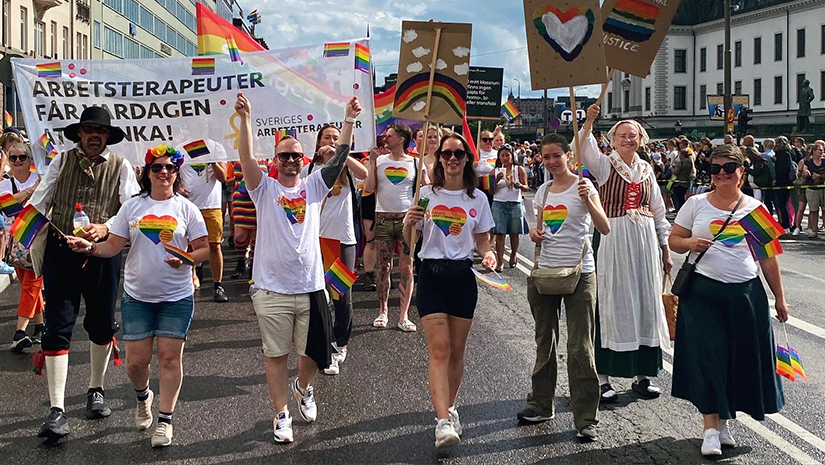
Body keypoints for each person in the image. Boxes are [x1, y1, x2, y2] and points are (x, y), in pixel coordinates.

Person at [235, 91, 361, 444]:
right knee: (277, 355)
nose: (290, 160)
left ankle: (303, 387)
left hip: (310, 287)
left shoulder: (314, 186)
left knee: (312, 353)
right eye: (284, 156)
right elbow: (245, 156)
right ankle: (281, 414)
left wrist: (348, 119)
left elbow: (338, 161)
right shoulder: (263, 188)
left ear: (303, 159)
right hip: (272, 289)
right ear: (275, 160)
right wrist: (246, 119)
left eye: (295, 155)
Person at [66, 145, 209, 447]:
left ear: (176, 172)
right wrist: (90, 248)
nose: (164, 173)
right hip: (138, 297)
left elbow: (203, 249)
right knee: (135, 363)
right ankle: (143, 397)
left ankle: (165, 420)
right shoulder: (132, 207)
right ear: (147, 173)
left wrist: (186, 258)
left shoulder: (187, 208)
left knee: (170, 358)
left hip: (176, 297)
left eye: (170, 167)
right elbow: (113, 246)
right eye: (157, 168)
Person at [668, 144, 788, 457]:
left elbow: (768, 258)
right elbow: (674, 240)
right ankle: (709, 428)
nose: (720, 174)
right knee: (710, 357)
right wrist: (690, 241)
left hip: (746, 293)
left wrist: (780, 299)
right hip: (703, 293)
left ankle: (724, 422)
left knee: (739, 358)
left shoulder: (755, 208)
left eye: (727, 169)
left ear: (741, 173)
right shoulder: (695, 204)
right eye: (714, 169)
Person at [29, 106, 141, 440]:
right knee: (57, 327)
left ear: (108, 136)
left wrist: (106, 227)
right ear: (79, 132)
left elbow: (132, 210)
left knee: (102, 324)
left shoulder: (120, 167)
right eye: (89, 129)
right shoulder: (60, 162)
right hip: (61, 254)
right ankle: (57, 408)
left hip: (102, 255)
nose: (95, 135)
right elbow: (38, 202)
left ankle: (96, 389)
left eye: (101, 131)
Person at [402, 132, 496, 447]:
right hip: (431, 274)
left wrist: (488, 253)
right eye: (446, 154)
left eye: (458, 153)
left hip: (462, 278)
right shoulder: (425, 194)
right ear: (439, 159)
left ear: (467, 158)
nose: (452, 159)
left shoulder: (477, 199)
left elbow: (483, 239)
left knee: (457, 352)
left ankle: (451, 407)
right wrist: (408, 221)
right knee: (439, 350)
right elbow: (409, 241)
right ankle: (442, 421)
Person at [517, 133, 610, 442]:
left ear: (569, 156)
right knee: (545, 342)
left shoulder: (584, 187)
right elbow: (538, 229)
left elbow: (604, 227)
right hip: (545, 273)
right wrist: (534, 234)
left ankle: (585, 418)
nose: (552, 162)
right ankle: (541, 404)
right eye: (546, 157)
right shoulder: (542, 190)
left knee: (580, 347)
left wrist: (589, 202)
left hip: (580, 273)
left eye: (557, 155)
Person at [579, 104, 673, 402]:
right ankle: (603, 377)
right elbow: (582, 151)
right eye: (622, 135)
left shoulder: (647, 170)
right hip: (614, 237)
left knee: (645, 300)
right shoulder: (606, 166)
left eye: (633, 135)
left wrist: (665, 248)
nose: (628, 139)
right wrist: (589, 122)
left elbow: (658, 212)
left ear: (641, 139)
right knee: (611, 299)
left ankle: (643, 374)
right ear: (613, 139)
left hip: (644, 241)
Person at [302, 124, 368, 375]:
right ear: (318, 143)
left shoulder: (347, 168)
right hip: (315, 241)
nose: (330, 141)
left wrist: (343, 154)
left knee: (342, 295)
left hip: (342, 241)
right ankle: (323, 344)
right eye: (326, 137)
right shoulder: (310, 169)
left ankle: (340, 344)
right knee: (318, 296)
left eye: (336, 138)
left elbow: (364, 174)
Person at [364, 122, 423, 332]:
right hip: (383, 218)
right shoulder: (379, 160)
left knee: (407, 267)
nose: (384, 138)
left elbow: (424, 191)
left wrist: (420, 217)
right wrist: (371, 162)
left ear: (400, 139)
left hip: (406, 221)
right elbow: (369, 188)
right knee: (384, 267)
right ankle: (383, 311)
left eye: (389, 136)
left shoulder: (417, 163)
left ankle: (404, 315)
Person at [1, 142, 44, 352]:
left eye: (22, 157)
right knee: (28, 284)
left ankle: (19, 332)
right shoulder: (5, 184)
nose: (18, 161)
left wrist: (37, 188)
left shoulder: (41, 178)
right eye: (13, 157)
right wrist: (32, 191)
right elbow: (7, 206)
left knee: (32, 285)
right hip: (15, 242)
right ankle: (41, 325)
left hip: (38, 239)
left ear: (30, 160)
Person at [178, 147, 230, 302]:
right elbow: (173, 173)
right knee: (187, 246)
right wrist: (178, 188)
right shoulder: (180, 148)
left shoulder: (216, 148)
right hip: (189, 204)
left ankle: (217, 285)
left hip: (211, 205)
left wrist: (212, 160)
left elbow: (223, 178)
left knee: (215, 245)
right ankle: (190, 278)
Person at [491, 144, 529, 271]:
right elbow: (490, 191)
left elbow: (526, 187)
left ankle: (513, 255)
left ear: (512, 156)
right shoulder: (495, 171)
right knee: (500, 234)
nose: (505, 158)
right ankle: (500, 261)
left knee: (514, 233)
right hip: (499, 204)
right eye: (502, 155)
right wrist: (495, 181)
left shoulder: (519, 169)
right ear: (499, 157)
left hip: (514, 203)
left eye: (507, 155)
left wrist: (518, 185)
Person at [0, 131, 24, 275]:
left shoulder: (34, 173)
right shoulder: (4, 167)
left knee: (31, 284)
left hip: (31, 232)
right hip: (8, 211)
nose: (16, 158)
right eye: (10, 153)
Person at [800, 143, 825, 238]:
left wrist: (820, 176)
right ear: (814, 151)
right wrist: (805, 172)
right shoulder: (808, 163)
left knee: (824, 210)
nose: (821, 152)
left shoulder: (824, 162)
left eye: (822, 150)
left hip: (823, 188)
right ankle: (814, 229)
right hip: (812, 189)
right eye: (819, 150)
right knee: (813, 211)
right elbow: (804, 172)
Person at [772, 136, 795, 230]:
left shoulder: (784, 154)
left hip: (783, 182)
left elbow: (783, 170)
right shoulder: (780, 154)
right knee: (781, 204)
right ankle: (784, 222)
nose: (775, 145)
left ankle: (785, 223)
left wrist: (776, 179)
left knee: (782, 203)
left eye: (777, 143)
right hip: (782, 182)